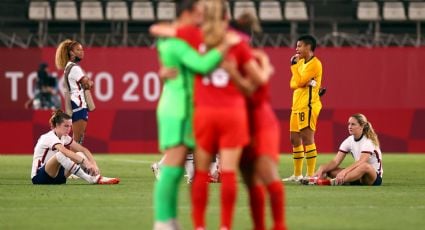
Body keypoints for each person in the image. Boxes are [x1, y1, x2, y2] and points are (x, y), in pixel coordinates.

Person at [149, 1, 239, 229]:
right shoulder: (176, 43)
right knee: (171, 166)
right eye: (198, 13)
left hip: (181, 107)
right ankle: (163, 222)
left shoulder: (177, 37)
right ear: (187, 13)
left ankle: (169, 220)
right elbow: (201, 65)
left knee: (176, 167)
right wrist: (224, 47)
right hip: (178, 109)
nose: (201, 17)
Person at [223, 12, 286, 230]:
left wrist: (233, 74)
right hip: (239, 123)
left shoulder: (254, 58)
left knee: (268, 174)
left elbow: (254, 92)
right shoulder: (223, 58)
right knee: (250, 181)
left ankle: (279, 225)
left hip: (260, 123)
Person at [31, 110, 120, 185]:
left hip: (57, 178)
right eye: (66, 126)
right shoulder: (49, 137)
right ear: (57, 125)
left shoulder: (64, 137)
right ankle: (90, 179)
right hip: (40, 178)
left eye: (70, 126)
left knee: (79, 154)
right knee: (60, 155)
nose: (69, 129)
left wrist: (93, 164)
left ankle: (97, 176)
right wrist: (85, 162)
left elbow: (83, 150)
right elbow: (64, 151)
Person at [283, 35, 323, 182]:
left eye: (299, 46)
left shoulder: (315, 64)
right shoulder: (301, 63)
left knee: (307, 138)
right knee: (294, 139)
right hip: (297, 105)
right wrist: (300, 79)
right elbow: (293, 84)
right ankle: (297, 174)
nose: (296, 49)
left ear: (308, 47)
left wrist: (293, 67)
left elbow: (298, 80)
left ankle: (310, 175)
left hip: (308, 105)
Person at [306, 113, 383, 186]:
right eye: (349, 124)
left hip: (372, 178)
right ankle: (316, 179)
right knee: (329, 170)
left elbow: (361, 162)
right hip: (357, 175)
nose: (349, 126)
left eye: (353, 124)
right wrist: (322, 168)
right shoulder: (349, 140)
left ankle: (332, 181)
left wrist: (344, 171)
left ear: (362, 126)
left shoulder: (368, 141)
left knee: (365, 166)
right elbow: (335, 161)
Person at [55, 39, 94, 145]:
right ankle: (68, 161)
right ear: (71, 52)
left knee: (76, 140)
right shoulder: (75, 68)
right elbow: (86, 83)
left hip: (74, 103)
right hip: (79, 104)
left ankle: (71, 161)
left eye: (82, 50)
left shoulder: (67, 67)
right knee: (77, 140)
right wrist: (90, 82)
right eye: (78, 49)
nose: (82, 52)